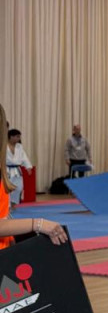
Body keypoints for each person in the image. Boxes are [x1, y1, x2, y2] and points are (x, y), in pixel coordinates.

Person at [0, 106, 67, 249]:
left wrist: (13, 241)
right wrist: (38, 224)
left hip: (6, 248)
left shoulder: (18, 148)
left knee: (15, 194)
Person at [6, 128, 32, 208]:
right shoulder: (4, 146)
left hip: (17, 170)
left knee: (19, 188)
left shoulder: (19, 146)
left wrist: (28, 167)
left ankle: (13, 203)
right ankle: (7, 205)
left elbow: (24, 157)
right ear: (11, 136)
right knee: (7, 188)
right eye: (17, 136)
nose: (19, 138)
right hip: (7, 170)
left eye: (19, 137)